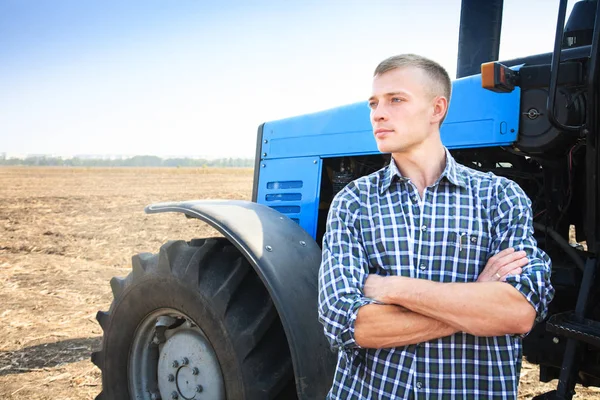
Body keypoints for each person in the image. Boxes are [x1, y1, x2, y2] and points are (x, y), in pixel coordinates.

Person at [317, 54, 555, 399]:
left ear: (436, 109)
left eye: (396, 99)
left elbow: (516, 312)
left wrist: (391, 288)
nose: (378, 113)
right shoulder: (353, 202)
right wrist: (476, 298)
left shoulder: (500, 197)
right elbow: (346, 323)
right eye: (374, 103)